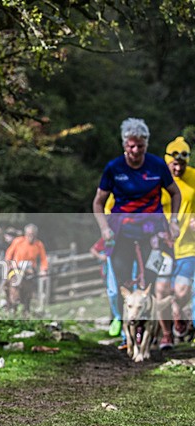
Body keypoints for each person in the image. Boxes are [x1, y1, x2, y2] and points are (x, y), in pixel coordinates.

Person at [92, 118, 181, 350]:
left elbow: (175, 193)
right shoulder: (114, 168)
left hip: (152, 231)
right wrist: (104, 228)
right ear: (124, 145)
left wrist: (173, 221)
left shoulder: (157, 166)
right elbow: (98, 202)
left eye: (140, 146)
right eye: (131, 146)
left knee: (149, 283)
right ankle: (128, 335)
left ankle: (149, 334)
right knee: (124, 284)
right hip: (121, 231)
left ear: (146, 145)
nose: (135, 151)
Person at [161, 136, 195, 342]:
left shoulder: (193, 177)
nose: (178, 169)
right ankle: (166, 333)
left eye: (182, 164)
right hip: (162, 246)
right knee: (161, 290)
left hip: (188, 245)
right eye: (174, 164)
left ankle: (178, 311)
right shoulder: (158, 179)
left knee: (182, 291)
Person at [4, 223, 49, 315]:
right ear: (25, 234)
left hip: (29, 269)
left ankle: (27, 306)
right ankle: (11, 299)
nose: (30, 237)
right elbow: (9, 254)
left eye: (32, 235)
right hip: (17, 267)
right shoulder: (18, 241)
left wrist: (43, 270)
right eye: (28, 234)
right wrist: (10, 263)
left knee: (29, 287)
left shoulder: (39, 244)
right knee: (13, 281)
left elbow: (43, 259)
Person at [89, 237, 122, 336]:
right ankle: (114, 321)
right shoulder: (106, 239)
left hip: (121, 272)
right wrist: (100, 256)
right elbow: (93, 250)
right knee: (113, 295)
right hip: (107, 273)